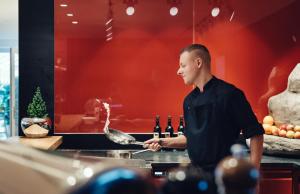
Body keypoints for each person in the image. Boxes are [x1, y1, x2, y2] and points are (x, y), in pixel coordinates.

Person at [144, 44, 264, 173]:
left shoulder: (230, 94)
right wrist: (162, 142)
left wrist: (254, 174)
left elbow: (256, 134)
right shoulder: (188, 100)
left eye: (183, 65)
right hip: (197, 173)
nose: (178, 71)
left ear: (198, 62)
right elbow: (190, 138)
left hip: (224, 173)